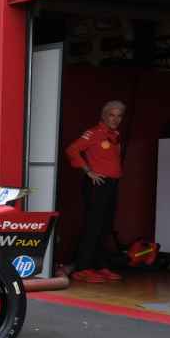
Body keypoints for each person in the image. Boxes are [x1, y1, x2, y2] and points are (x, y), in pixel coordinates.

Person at [65, 100, 126, 283]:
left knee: (105, 227)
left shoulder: (115, 135)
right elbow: (72, 150)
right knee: (93, 226)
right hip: (98, 184)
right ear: (104, 115)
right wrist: (88, 171)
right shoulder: (94, 133)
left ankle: (100, 266)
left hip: (112, 184)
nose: (115, 119)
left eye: (119, 116)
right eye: (111, 115)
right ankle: (82, 268)